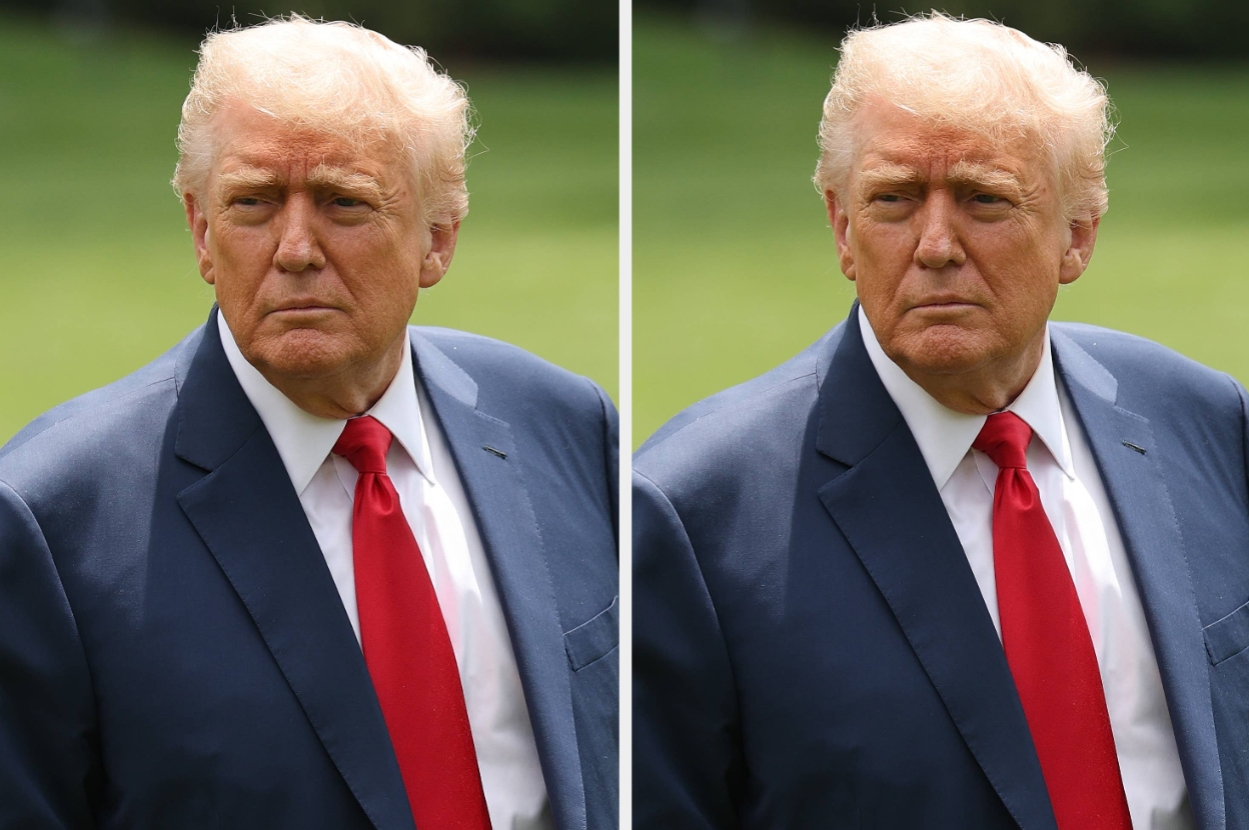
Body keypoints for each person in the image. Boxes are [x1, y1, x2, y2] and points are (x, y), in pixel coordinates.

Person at [0, 16, 617, 830]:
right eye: (252, 203)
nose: (294, 248)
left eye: (342, 203)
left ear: (437, 239)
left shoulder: (560, 422)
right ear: (201, 231)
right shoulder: (50, 520)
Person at [634, 13, 1247, 830]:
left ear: (1077, 235)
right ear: (841, 228)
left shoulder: (1198, 418)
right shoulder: (693, 512)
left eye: (982, 199)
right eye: (891, 200)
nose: (932, 245)